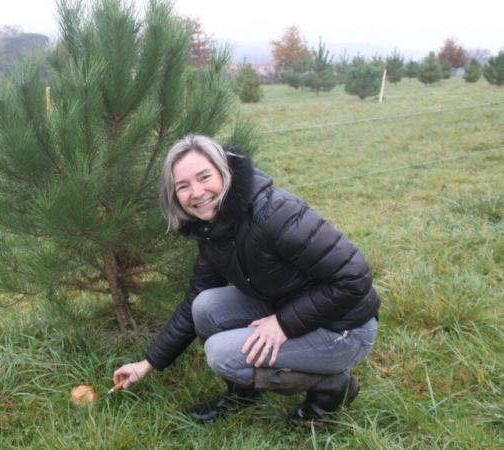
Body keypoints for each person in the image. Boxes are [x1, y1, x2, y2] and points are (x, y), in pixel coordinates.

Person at [113, 134, 380, 425]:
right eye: (183, 186)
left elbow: (354, 278)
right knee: (204, 306)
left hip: (345, 328)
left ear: (224, 172)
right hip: (290, 304)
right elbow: (194, 299)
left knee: (221, 354)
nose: (197, 192)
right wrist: (148, 364)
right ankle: (245, 391)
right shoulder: (213, 228)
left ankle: (331, 387)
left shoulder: (275, 214)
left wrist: (283, 324)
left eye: (204, 177)